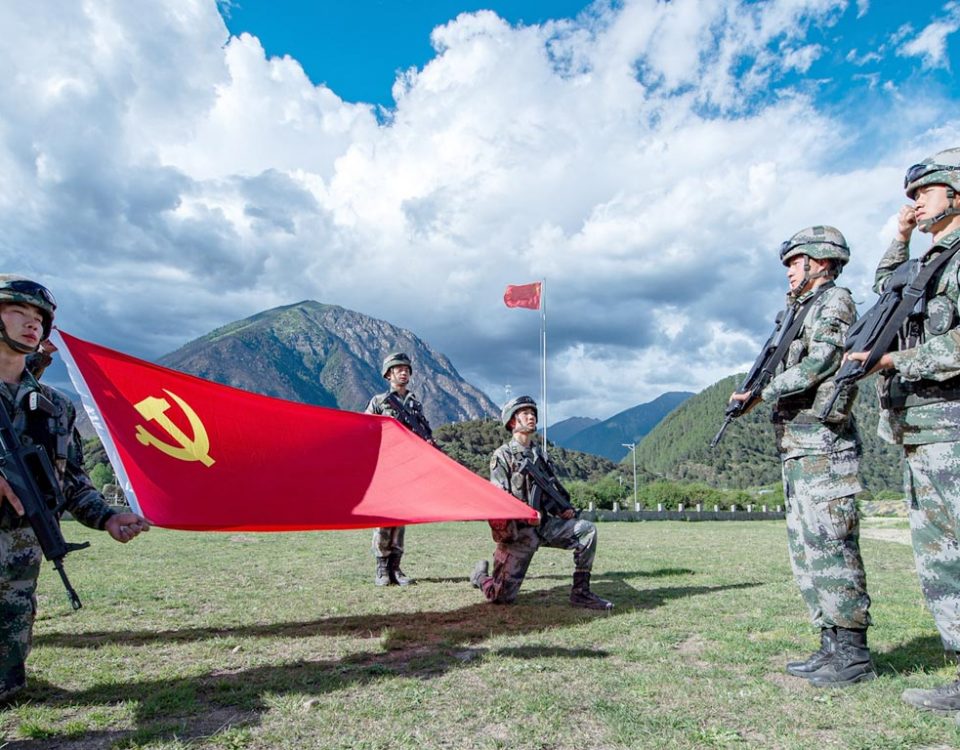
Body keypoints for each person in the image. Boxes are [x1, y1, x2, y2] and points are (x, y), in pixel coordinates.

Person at [729, 226, 874, 687]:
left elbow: (823, 361)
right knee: (809, 551)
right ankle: (830, 643)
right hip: (798, 446)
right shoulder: (799, 309)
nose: (790, 270)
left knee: (832, 545)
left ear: (822, 262)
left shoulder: (835, 302)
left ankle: (853, 654)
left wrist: (763, 392)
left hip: (824, 446)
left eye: (796, 261)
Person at [846, 148, 960, 711]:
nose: (915, 201)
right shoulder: (931, 260)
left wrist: (894, 361)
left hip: (951, 430)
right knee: (942, 558)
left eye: (925, 191)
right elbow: (888, 287)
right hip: (923, 432)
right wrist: (901, 236)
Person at [0, 275, 149, 705]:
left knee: (9, 690)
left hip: (19, 558)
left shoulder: (55, 408)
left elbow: (71, 482)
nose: (32, 324)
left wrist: (108, 517)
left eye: (39, 318)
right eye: (18, 312)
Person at [469, 395, 613, 610]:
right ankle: (480, 576)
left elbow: (549, 490)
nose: (531, 417)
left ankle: (581, 593)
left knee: (587, 531)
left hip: (546, 526)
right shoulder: (502, 456)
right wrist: (525, 513)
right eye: (525, 413)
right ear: (512, 421)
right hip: (519, 533)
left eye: (533, 413)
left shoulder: (540, 456)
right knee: (500, 597)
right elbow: (500, 499)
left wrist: (562, 509)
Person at [365, 351, 433, 586]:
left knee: (401, 519)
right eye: (398, 369)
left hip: (408, 469)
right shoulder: (379, 402)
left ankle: (396, 567)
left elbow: (423, 433)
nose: (403, 373)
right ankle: (382, 569)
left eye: (406, 369)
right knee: (384, 518)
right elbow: (366, 430)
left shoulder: (415, 404)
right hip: (385, 468)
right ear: (388, 374)